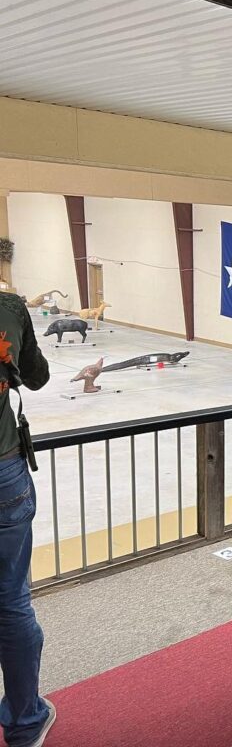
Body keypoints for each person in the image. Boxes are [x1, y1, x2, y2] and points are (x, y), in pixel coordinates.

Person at [0, 294, 54, 747]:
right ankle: (22, 722)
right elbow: (36, 376)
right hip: (3, 475)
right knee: (11, 600)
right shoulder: (10, 308)